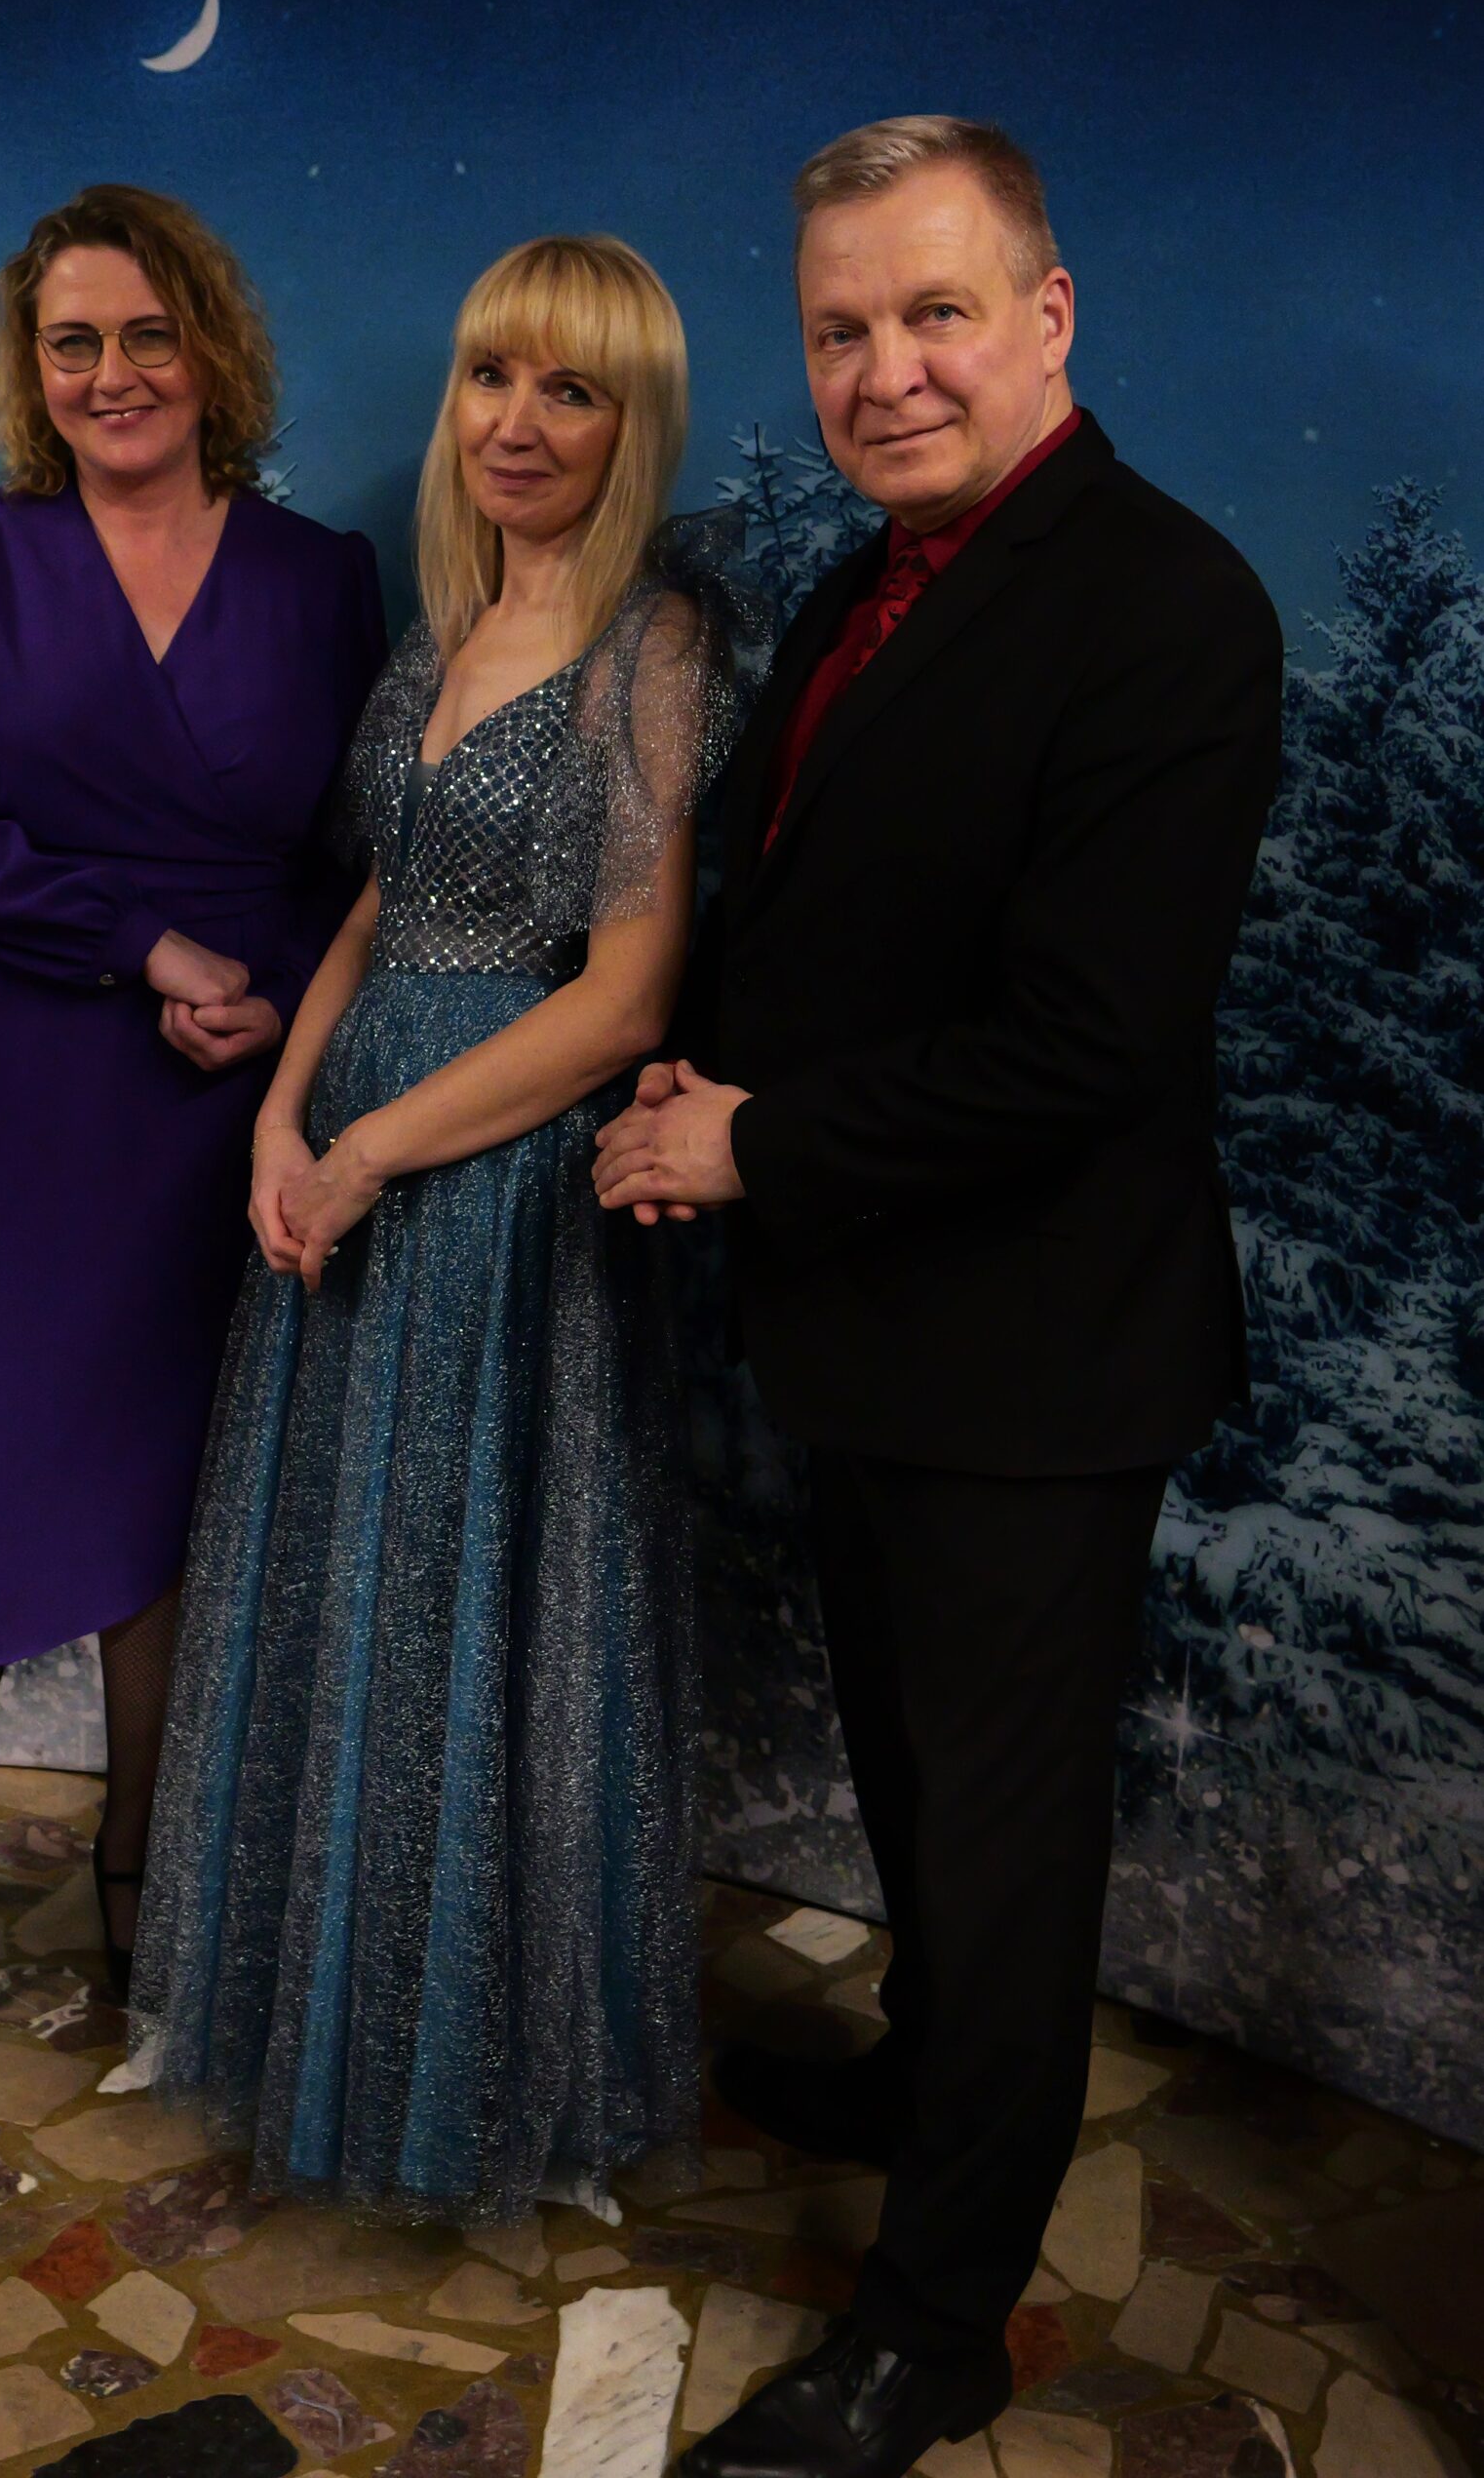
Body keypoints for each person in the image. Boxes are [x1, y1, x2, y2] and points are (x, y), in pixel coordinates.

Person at [594, 119, 1282, 2478]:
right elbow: (824, 915)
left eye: (933, 313)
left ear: (1047, 315)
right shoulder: (865, 583)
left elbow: (1088, 1041)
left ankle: (934, 2317)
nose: (882, 370)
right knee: (905, 1769)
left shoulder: (1164, 604)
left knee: (998, 1849)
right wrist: (695, 1062)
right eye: (839, 330)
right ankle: (923, 2077)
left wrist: (751, 1141)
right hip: (871, 1327)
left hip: (1032, 1354)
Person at [127, 234, 760, 2225]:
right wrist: (281, 1119)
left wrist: (373, 1149)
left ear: (633, 422)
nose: (517, 421)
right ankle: (319, 2029)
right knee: (349, 1605)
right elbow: (377, 905)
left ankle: (466, 2078)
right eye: (493, 374)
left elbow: (626, 998)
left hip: (499, 1193)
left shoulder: (654, 645)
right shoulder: (449, 618)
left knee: (472, 1611)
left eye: (570, 389)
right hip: (358, 1157)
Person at [0, 184, 385, 2084]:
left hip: (226, 1112)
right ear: (31, 370)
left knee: (175, 1529)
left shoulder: (324, 576)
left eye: (147, 334)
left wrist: (280, 997)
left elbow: (363, 855)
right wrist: (139, 942)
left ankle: (145, 1877)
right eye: (71, 342)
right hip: (4, 1100)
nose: (111, 373)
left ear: (210, 349)